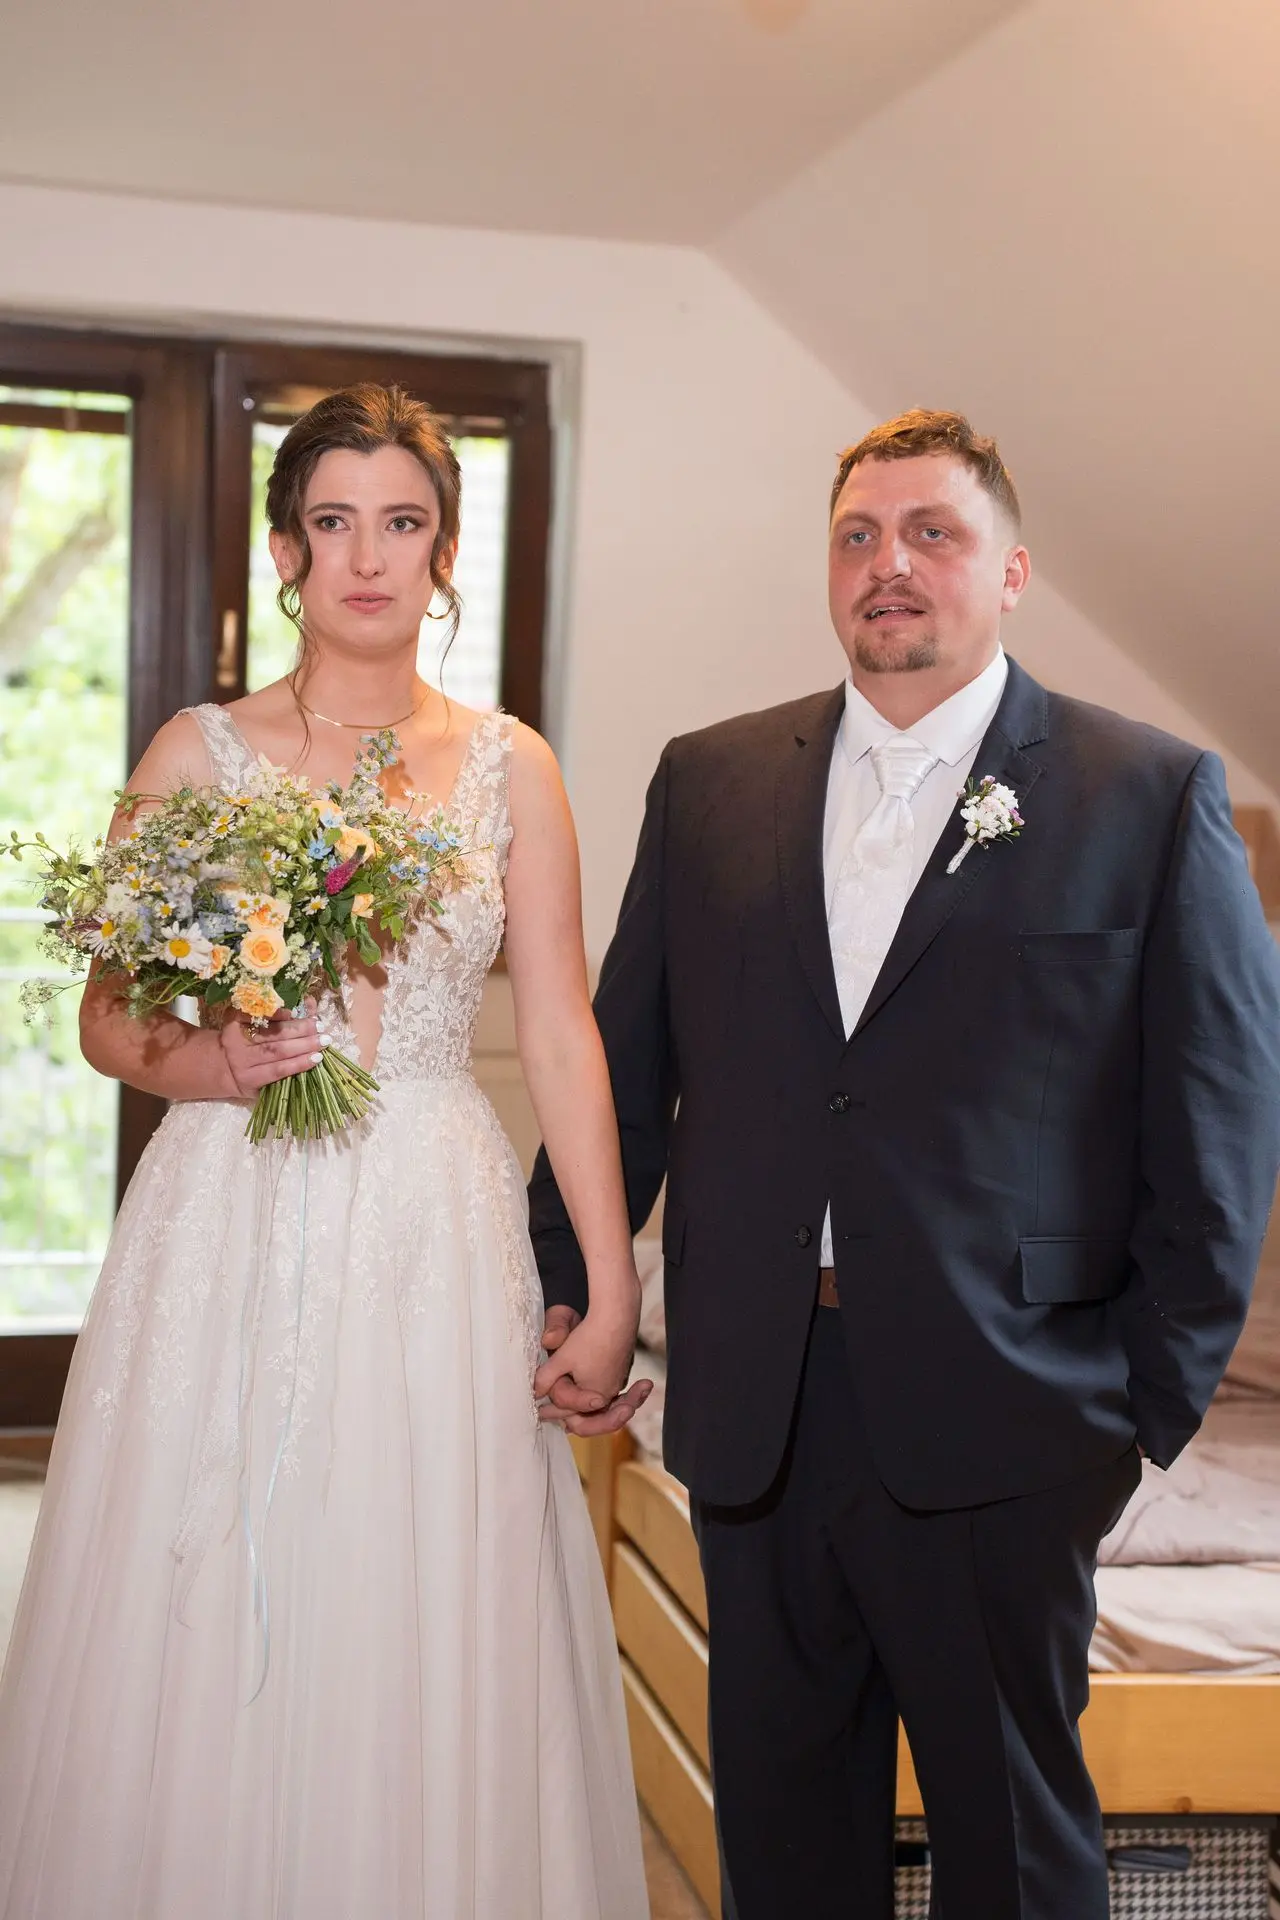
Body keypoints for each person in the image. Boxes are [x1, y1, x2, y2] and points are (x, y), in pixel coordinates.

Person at [530, 408, 1280, 1919]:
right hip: (758, 1402)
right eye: (859, 537)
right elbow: (620, 1067)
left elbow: (1219, 1126)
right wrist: (568, 1287)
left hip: (1014, 1416)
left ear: (1011, 572)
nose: (892, 564)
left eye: (935, 532)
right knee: (786, 1842)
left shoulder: (1149, 794)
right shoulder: (710, 781)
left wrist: (1144, 1408)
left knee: (1014, 1852)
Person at [0, 383, 651, 1919]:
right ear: (286, 549)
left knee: (414, 1569)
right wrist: (213, 1062)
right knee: (209, 1557)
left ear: (445, 552)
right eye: (335, 522)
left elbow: (563, 1032)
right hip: (228, 1201)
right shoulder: (197, 753)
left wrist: (613, 1284)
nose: (369, 556)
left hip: (434, 1210)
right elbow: (105, 1020)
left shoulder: (512, 767)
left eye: (403, 522)